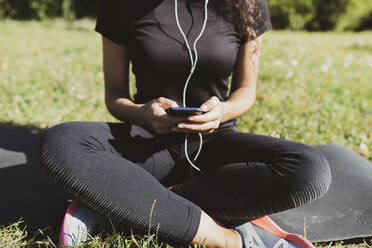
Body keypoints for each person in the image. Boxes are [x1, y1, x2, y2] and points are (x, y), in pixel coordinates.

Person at [36, 0, 332, 247]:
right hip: (147, 144)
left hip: (215, 145)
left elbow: (246, 91)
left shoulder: (248, 2)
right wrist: (142, 113)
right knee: (62, 141)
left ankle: (118, 206)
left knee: (310, 169)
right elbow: (115, 95)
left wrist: (222, 111)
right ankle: (229, 240)